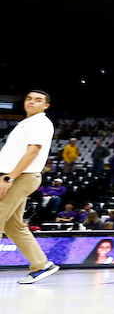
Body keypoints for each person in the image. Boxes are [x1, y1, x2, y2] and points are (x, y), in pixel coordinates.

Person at [0, 90, 59, 284]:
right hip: (17, 176)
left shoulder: (41, 123)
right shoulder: (27, 122)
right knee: (13, 226)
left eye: (38, 100)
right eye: (29, 98)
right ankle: (41, 264)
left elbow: (32, 152)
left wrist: (9, 178)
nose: (32, 102)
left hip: (19, 177)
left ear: (46, 106)